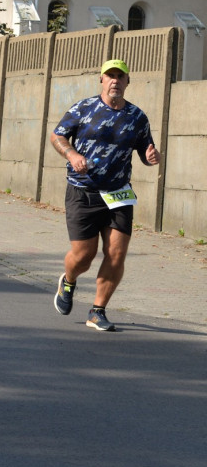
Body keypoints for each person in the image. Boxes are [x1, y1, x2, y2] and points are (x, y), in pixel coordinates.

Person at [49, 59, 162, 332]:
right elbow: (57, 136)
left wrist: (151, 157)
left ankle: (97, 311)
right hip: (83, 190)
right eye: (110, 76)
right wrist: (72, 154)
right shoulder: (83, 108)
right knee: (84, 255)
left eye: (120, 76)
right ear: (102, 80)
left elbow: (147, 151)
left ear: (127, 81)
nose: (115, 81)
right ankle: (69, 280)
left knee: (116, 254)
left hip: (119, 193)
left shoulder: (137, 117)